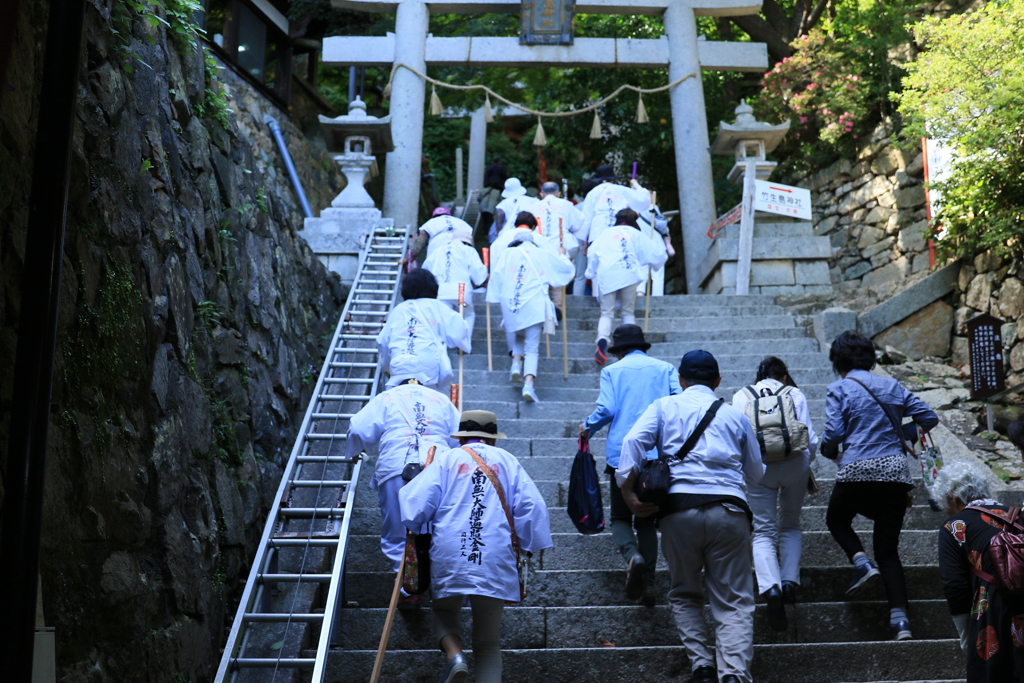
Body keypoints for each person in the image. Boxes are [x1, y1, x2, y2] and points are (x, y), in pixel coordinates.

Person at [617, 350, 764, 683]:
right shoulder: (734, 415)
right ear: (718, 381)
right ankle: (733, 675)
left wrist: (628, 493)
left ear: (681, 380)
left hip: (678, 512)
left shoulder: (663, 407)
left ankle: (702, 667)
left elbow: (631, 442)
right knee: (734, 600)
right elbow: (755, 475)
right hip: (729, 511)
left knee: (684, 592)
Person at [400, 410, 552, 683]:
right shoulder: (508, 460)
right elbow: (532, 506)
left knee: (444, 611)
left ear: (461, 438)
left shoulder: (447, 459)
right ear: (492, 439)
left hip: (450, 552)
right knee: (488, 643)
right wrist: (528, 545)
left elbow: (413, 506)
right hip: (495, 555)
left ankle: (456, 657)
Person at [820, 330, 939, 641]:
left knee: (836, 519)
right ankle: (901, 623)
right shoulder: (892, 385)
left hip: (856, 470)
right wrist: (903, 434)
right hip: (895, 474)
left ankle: (861, 563)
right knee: (888, 552)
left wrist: (828, 452)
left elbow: (833, 432)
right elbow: (929, 417)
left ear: (839, 360)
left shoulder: (840, 388)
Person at [344, 355, 461, 607]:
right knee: (438, 527)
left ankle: (408, 590)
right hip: (438, 467)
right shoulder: (440, 399)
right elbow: (457, 437)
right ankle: (442, 587)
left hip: (396, 466)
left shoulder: (386, 398)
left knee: (398, 531)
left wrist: (354, 452)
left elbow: (356, 427)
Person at [578, 324, 682, 606]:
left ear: (618, 350)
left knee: (621, 518)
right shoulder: (665, 368)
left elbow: (607, 409)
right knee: (647, 519)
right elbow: (677, 402)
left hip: (621, 455)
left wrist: (587, 427)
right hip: (656, 455)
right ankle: (648, 583)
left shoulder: (612, 371)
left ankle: (631, 556)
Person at [731, 356, 818, 632]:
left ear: (758, 376)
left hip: (760, 468)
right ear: (784, 376)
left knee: (764, 531)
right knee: (790, 525)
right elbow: (811, 440)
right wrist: (806, 465)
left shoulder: (741, 396)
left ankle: (771, 589)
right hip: (795, 465)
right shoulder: (794, 393)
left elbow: (738, 439)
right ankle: (790, 582)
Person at [934, 459, 1024, 682]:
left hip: (992, 613)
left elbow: (954, 584)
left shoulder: (955, 526)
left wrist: (966, 634)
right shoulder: (1019, 515)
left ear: (953, 498)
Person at [486, 225, 574, 402]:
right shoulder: (542, 254)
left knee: (519, 334)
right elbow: (564, 270)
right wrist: (563, 254)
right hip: (534, 303)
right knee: (532, 346)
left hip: (511, 302)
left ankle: (516, 365)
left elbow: (496, 278)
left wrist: (493, 298)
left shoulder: (507, 254)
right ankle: (528, 385)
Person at [585, 208, 667, 365]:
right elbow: (657, 253)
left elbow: (591, 253)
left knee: (606, 313)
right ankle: (632, 345)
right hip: (628, 273)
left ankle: (602, 340)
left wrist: (591, 272)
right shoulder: (636, 234)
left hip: (607, 273)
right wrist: (654, 263)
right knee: (627, 311)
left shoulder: (605, 233)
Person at [375, 268, 472, 393]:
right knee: (427, 398)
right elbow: (459, 330)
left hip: (399, 362)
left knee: (399, 401)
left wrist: (386, 366)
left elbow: (382, 342)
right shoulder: (437, 306)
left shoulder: (398, 310)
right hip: (427, 361)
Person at [422, 223, 489, 334]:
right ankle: (464, 344)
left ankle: (444, 344)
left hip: (441, 291)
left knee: (443, 319)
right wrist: (485, 274)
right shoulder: (468, 251)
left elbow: (425, 270)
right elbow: (479, 277)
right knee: (468, 315)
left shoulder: (438, 251)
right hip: (461, 291)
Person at [532, 181, 584, 300]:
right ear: (558, 193)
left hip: (539, 246)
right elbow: (577, 224)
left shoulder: (534, 206)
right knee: (559, 277)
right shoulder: (567, 204)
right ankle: (558, 307)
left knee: (541, 278)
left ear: (541, 194)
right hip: (561, 245)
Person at [578, 164, 651, 245]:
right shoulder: (621, 189)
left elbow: (586, 219)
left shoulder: (592, 193)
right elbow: (644, 199)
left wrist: (584, 242)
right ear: (612, 179)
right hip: (620, 231)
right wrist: (636, 185)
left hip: (598, 231)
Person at [403, 208, 475, 269]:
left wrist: (408, 258)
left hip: (437, 253)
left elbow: (420, 244)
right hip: (461, 252)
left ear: (433, 216)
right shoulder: (461, 222)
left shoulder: (431, 223)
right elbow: (471, 244)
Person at [476, 158, 507, 250]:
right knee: (490, 221)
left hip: (483, 208)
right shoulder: (501, 168)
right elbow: (504, 177)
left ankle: (485, 234)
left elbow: (479, 198)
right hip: (498, 190)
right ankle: (490, 234)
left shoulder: (489, 169)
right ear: (499, 161)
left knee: (485, 220)